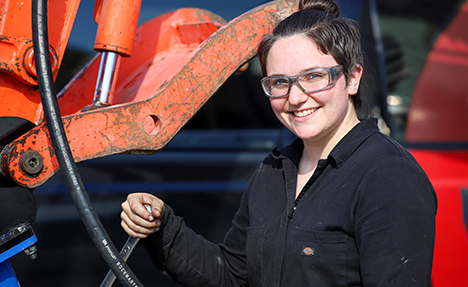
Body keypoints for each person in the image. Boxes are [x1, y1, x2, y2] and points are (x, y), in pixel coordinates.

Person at [120, 0, 437, 286]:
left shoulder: (388, 175)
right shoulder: (273, 172)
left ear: (352, 77)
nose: (295, 98)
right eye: (279, 83)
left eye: (313, 76)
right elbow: (232, 275)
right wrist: (161, 228)